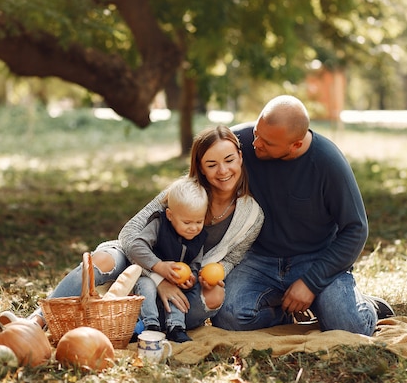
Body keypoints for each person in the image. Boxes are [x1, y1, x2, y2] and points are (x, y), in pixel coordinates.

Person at [26, 125, 264, 332]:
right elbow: (129, 234)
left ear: (240, 157)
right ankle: (37, 320)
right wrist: (159, 277)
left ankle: (122, 324)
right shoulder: (180, 194)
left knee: (214, 298)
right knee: (101, 260)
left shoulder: (251, 216)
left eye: (229, 160)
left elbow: (233, 257)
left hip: (184, 277)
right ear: (201, 167)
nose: (223, 171)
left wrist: (210, 273)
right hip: (136, 259)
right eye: (212, 164)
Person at [211, 94, 394, 336]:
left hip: (315, 258)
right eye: (256, 132)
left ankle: (366, 305)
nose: (255, 144)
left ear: (295, 144)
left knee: (350, 327)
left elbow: (356, 229)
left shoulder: (328, 162)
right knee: (227, 316)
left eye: (267, 142)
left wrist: (310, 283)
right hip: (259, 257)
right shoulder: (241, 142)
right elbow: (203, 157)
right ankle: (284, 310)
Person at [128, 176, 209, 343]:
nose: (193, 227)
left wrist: (191, 277)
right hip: (148, 275)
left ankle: (176, 327)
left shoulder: (199, 237)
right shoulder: (159, 225)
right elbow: (136, 247)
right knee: (147, 286)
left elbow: (195, 262)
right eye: (187, 222)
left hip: (173, 280)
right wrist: (158, 266)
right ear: (170, 215)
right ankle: (151, 326)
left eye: (199, 221)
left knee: (178, 293)